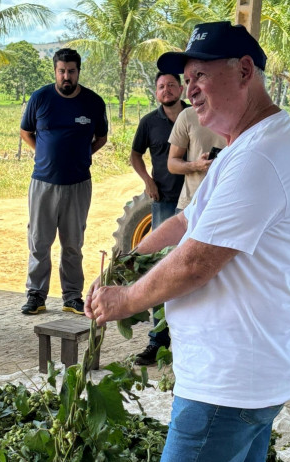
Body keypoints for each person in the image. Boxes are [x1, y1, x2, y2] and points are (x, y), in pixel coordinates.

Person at [85, 22, 290, 462]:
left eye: (200, 76)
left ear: (245, 71)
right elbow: (186, 222)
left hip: (229, 381)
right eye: (186, 78)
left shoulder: (260, 156)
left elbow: (196, 262)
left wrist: (126, 300)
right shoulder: (243, 147)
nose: (189, 89)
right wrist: (124, 264)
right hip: (241, 374)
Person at [19, 48, 107, 316]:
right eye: (61, 71)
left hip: (78, 184)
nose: (66, 76)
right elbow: (26, 132)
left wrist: (81, 156)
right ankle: (36, 294)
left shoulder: (93, 102)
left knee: (73, 244)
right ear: (55, 71)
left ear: (78, 72)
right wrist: (44, 155)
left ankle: (71, 297)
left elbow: (101, 138)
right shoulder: (41, 98)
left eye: (71, 71)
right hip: (43, 183)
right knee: (39, 241)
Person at [129, 71, 186, 366]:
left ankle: (189, 343)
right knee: (161, 269)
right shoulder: (149, 122)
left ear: (181, 88)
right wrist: (148, 181)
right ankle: (157, 342)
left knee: (192, 271)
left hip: (194, 204)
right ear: (156, 92)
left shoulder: (197, 116)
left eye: (172, 85)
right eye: (161, 86)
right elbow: (135, 155)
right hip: (163, 202)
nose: (167, 90)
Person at [167, 106, 226, 212]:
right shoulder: (188, 115)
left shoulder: (243, 114)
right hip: (191, 204)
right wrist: (196, 166)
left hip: (227, 204)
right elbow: (172, 164)